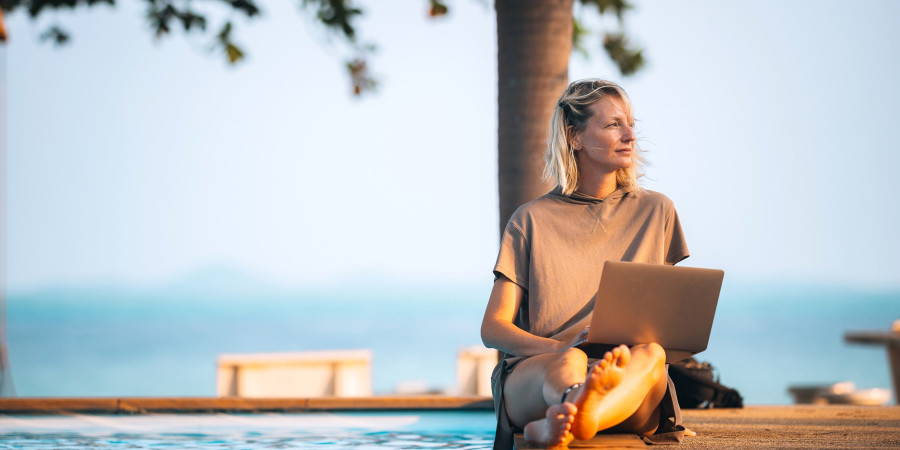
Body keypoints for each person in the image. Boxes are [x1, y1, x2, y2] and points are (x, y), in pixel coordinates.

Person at [482, 79, 690, 449]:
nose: (629, 135)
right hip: (543, 367)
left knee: (653, 354)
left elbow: (663, 322)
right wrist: (559, 346)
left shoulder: (657, 210)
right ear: (574, 137)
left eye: (630, 125)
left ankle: (567, 417)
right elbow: (493, 328)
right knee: (570, 365)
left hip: (626, 376)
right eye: (613, 125)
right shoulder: (530, 219)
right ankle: (580, 405)